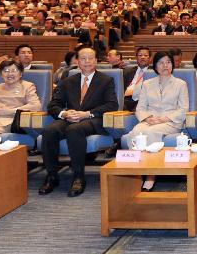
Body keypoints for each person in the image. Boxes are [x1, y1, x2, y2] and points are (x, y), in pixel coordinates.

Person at [39, 46, 118, 197]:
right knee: (49, 130)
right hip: (70, 118)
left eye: (90, 58)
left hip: (93, 120)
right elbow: (53, 105)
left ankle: (78, 176)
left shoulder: (106, 80)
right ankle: (52, 175)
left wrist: (86, 114)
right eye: (83, 58)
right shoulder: (68, 81)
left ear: (96, 61)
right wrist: (65, 113)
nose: (87, 61)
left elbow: (112, 105)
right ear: (77, 61)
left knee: (74, 130)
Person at [126, 51, 189, 191]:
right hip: (150, 120)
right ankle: (136, 172)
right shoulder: (147, 84)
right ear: (155, 66)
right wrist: (148, 118)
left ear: (172, 65)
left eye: (168, 62)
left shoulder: (181, 84)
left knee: (150, 132)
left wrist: (163, 118)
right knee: (136, 132)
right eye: (161, 62)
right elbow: (140, 108)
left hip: (171, 121)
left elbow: (183, 109)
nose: (165, 65)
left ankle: (150, 175)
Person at [123, 46, 153, 111]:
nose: (142, 57)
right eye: (140, 55)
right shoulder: (127, 71)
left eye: (145, 55)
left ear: (150, 58)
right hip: (126, 98)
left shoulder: (153, 72)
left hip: (142, 99)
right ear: (136, 58)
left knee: (138, 108)